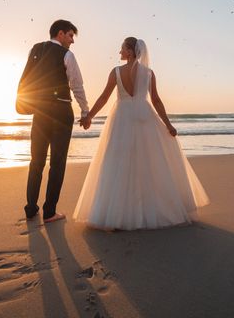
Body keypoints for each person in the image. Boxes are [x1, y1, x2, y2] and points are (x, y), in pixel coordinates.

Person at [74, 37, 210, 230]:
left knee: (118, 162)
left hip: (121, 118)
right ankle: (147, 209)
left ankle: (117, 214)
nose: (119, 52)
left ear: (130, 51)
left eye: (122, 48)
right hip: (145, 117)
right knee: (148, 163)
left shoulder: (116, 72)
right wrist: (168, 125)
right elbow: (156, 101)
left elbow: (104, 97)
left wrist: (89, 117)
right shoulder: (148, 73)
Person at [18, 19, 89, 223]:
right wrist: (85, 112)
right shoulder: (67, 55)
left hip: (40, 112)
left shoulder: (35, 49)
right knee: (57, 163)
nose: (72, 40)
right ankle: (50, 212)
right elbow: (77, 85)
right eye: (70, 35)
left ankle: (31, 208)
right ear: (60, 34)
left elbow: (27, 77)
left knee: (36, 161)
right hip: (61, 113)